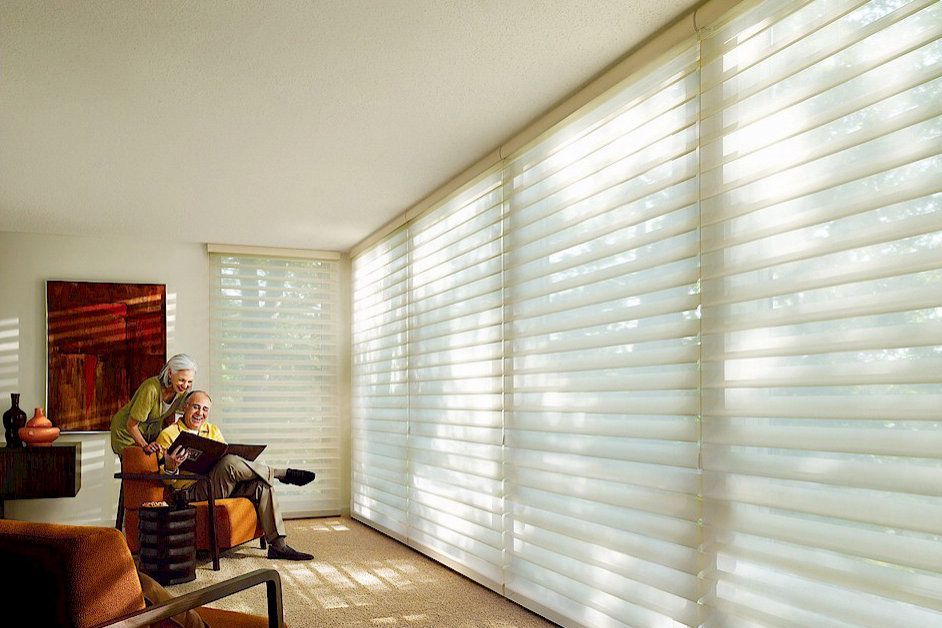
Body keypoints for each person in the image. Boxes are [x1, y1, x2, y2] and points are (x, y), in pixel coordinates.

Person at [156, 390, 316, 561]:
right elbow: (166, 481)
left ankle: (279, 546)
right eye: (196, 407)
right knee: (230, 462)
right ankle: (278, 473)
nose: (200, 413)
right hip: (191, 492)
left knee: (261, 485)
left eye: (205, 409)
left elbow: (222, 459)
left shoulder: (212, 430)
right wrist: (171, 467)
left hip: (219, 484)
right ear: (185, 407)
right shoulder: (168, 435)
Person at [110, 353, 197, 456]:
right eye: (181, 380)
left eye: (189, 381)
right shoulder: (151, 389)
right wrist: (145, 445)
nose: (185, 385)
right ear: (170, 373)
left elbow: (179, 417)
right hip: (127, 432)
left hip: (149, 433)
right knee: (139, 467)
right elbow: (131, 425)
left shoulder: (181, 393)